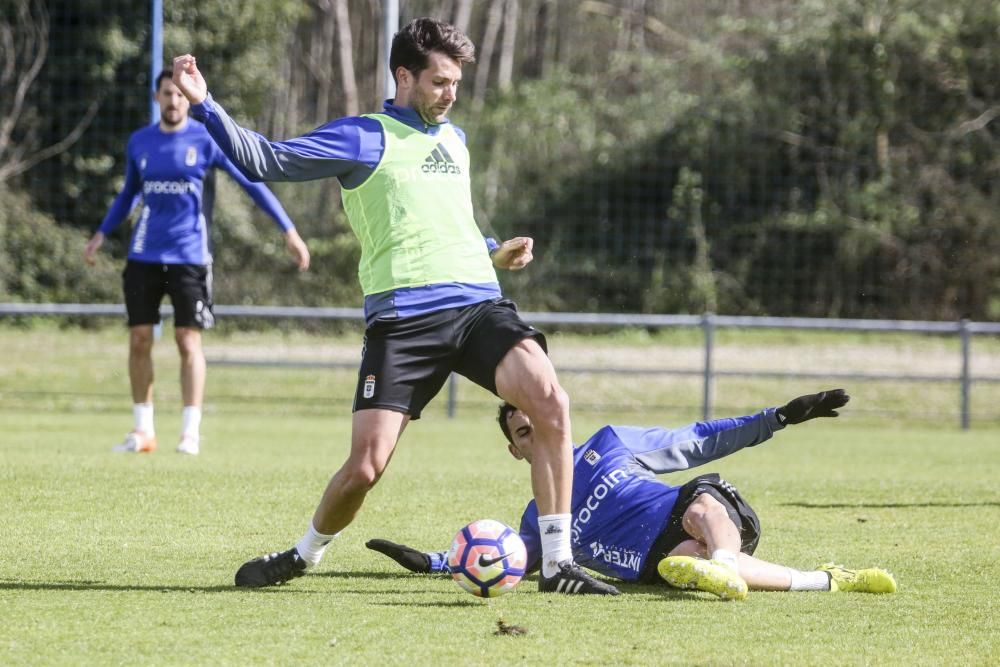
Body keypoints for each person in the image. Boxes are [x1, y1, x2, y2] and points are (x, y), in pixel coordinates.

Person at [170, 18, 613, 594]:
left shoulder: (455, 140)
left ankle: (557, 565)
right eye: (439, 82)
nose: (450, 94)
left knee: (551, 400)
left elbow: (450, 220)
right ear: (404, 76)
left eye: (456, 83)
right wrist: (206, 105)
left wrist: (493, 252)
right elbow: (266, 160)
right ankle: (303, 555)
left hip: (479, 307)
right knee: (365, 469)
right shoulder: (363, 136)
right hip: (404, 321)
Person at [366, 389, 898, 599]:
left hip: (686, 515)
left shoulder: (611, 444)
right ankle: (828, 581)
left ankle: (730, 566)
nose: (538, 434)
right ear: (516, 451)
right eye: (523, 433)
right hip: (658, 563)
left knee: (704, 504)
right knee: (686, 563)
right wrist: (436, 562)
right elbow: (502, 558)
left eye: (540, 422)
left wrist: (777, 418)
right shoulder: (538, 520)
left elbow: (699, 440)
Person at [84, 70, 310, 457]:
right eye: (166, 94)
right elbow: (128, 194)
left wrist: (288, 229)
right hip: (143, 256)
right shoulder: (140, 141)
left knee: (187, 340)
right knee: (139, 339)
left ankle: (190, 432)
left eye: (179, 94)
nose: (173, 100)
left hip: (190, 257)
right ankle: (143, 431)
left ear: (187, 99)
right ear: (157, 97)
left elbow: (251, 183)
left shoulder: (205, 139)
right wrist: (102, 232)